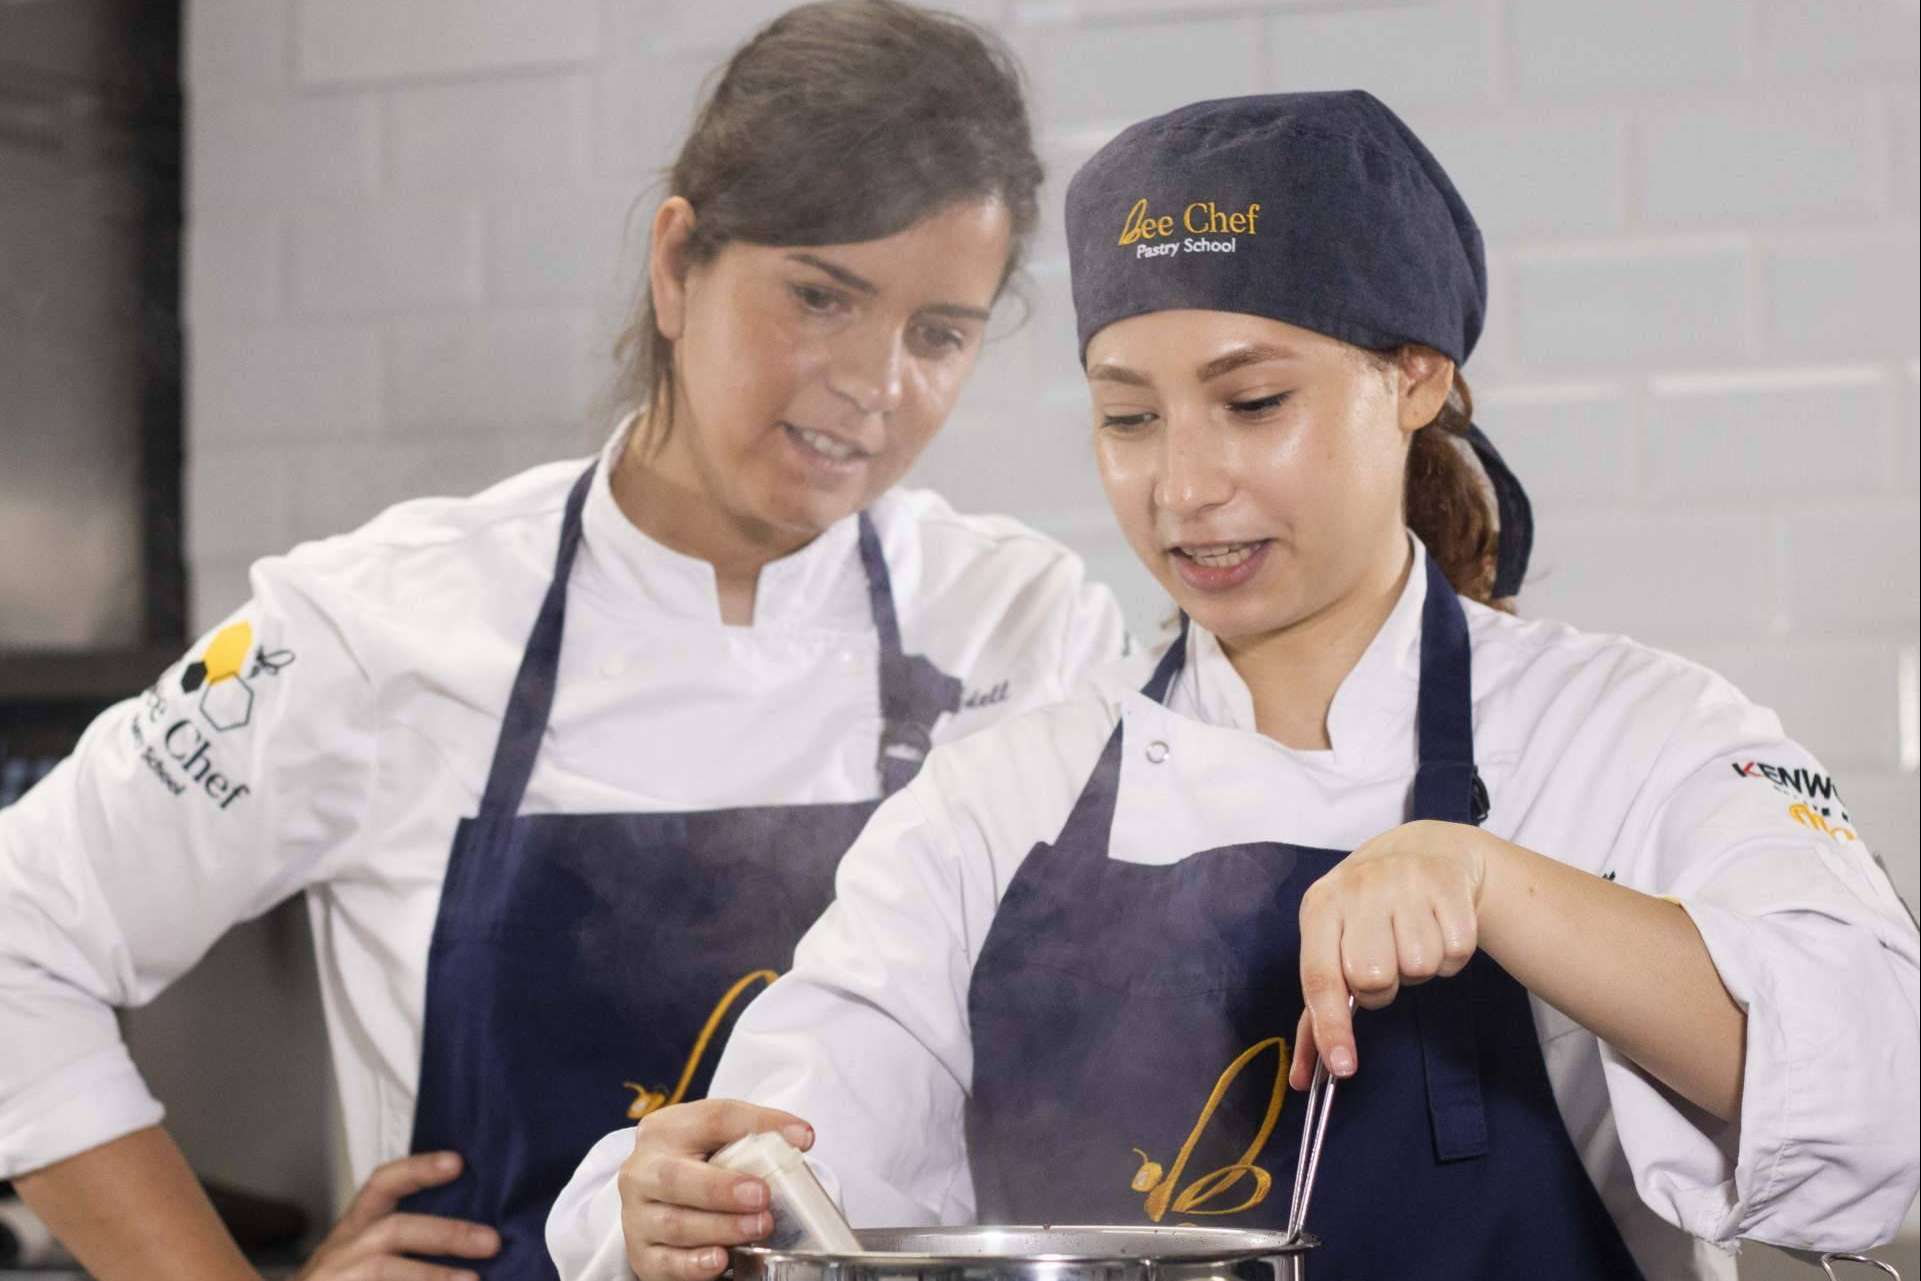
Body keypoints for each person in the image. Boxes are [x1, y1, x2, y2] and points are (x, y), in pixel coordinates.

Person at [548, 92, 1921, 1281]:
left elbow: (1886, 1104)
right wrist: (688, 1194)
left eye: (1252, 402)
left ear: (1413, 378)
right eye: (1127, 416)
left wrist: (1501, 888)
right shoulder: (1002, 790)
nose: (1183, 488)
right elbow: (803, 1150)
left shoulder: (1633, 736)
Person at [0, 5, 1129, 1279]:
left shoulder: (1023, 624)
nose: (875, 384)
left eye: (939, 334)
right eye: (822, 296)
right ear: (676, 263)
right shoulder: (379, 624)